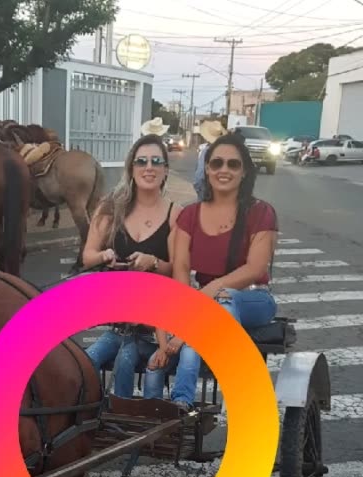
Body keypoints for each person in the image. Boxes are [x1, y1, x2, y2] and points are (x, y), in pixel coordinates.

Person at [144, 131, 278, 410]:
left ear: (244, 171)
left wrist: (207, 295)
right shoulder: (190, 215)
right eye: (216, 163)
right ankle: (161, 409)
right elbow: (181, 268)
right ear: (206, 168)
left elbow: (255, 268)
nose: (223, 170)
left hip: (251, 298)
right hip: (204, 302)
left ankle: (231, 388)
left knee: (224, 301)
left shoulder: (261, 212)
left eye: (233, 164)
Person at [82, 132, 182, 398]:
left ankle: (130, 416)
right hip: (119, 320)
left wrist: (153, 262)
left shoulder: (175, 214)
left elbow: (177, 270)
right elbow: (88, 256)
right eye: (141, 161)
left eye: (156, 161)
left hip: (154, 325)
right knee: (84, 364)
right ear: (131, 168)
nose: (149, 167)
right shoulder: (110, 207)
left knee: (125, 361)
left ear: (165, 170)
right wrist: (105, 255)